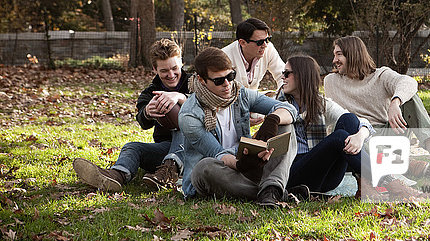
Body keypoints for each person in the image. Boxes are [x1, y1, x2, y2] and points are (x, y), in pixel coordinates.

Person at [279, 55, 424, 200]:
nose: (282, 77)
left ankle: (364, 183)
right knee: (340, 137)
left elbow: (361, 121)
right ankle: (390, 183)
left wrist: (360, 137)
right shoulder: (277, 105)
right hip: (294, 175)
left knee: (349, 120)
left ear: (301, 76)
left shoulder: (320, 103)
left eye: (287, 73)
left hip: (325, 177)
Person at [178, 47, 303, 207]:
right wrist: (241, 162)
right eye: (219, 80)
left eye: (230, 76)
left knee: (286, 126)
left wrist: (273, 119)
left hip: (249, 164)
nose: (227, 84)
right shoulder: (189, 114)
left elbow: (291, 110)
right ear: (202, 80)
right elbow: (217, 153)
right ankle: (275, 191)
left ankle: (270, 189)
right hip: (222, 169)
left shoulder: (240, 93)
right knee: (203, 168)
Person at [323, 36, 430, 182]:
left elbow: (409, 82)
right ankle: (404, 164)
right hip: (359, 136)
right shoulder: (331, 81)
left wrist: (395, 102)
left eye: (338, 54)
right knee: (351, 128)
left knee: (410, 98)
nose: (334, 60)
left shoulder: (380, 75)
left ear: (353, 53)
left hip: (389, 132)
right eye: (334, 55)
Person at [73, 39, 190, 192]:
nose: (171, 75)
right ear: (154, 69)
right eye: (164, 71)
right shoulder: (150, 93)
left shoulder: (196, 82)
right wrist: (148, 113)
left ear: (181, 62)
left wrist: (180, 97)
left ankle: (170, 172)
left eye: (174, 68)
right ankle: (116, 176)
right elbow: (142, 121)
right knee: (132, 147)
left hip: (195, 149)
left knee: (181, 123)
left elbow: (207, 104)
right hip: (166, 149)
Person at [222, 18, 285, 91]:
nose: (265, 45)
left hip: (255, 99)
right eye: (259, 42)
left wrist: (283, 95)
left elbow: (283, 75)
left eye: (267, 39)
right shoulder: (224, 57)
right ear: (242, 43)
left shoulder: (268, 49)